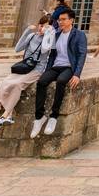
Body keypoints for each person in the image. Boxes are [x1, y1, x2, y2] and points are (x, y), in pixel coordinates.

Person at [0, 15, 55, 131]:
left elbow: (44, 50)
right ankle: (9, 115)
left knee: (18, 84)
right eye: (41, 24)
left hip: (37, 70)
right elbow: (17, 49)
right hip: (24, 67)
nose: (41, 27)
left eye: (44, 26)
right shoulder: (32, 36)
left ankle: (5, 115)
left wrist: (48, 34)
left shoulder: (49, 39)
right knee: (4, 82)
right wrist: (27, 30)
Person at [31, 9, 87, 138]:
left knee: (62, 81)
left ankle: (54, 116)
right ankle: (39, 117)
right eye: (59, 20)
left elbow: (81, 55)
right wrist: (47, 71)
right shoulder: (56, 34)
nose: (60, 22)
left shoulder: (79, 35)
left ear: (71, 20)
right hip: (56, 66)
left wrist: (77, 74)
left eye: (63, 19)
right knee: (42, 82)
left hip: (68, 67)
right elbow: (52, 55)